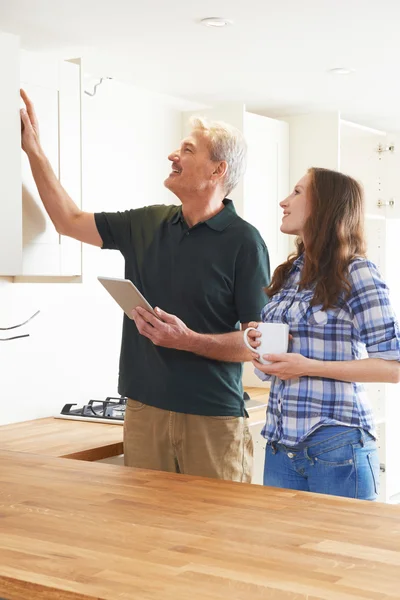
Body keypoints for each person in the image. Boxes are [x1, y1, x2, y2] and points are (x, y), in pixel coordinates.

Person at [20, 90, 270, 482]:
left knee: (216, 537)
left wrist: (188, 340)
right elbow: (68, 220)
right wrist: (33, 150)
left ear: (217, 170)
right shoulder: (147, 222)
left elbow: (260, 344)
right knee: (144, 534)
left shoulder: (244, 242)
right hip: (143, 410)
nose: (173, 155)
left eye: (187, 149)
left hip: (211, 418)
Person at [247, 167, 400, 500]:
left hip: (336, 448)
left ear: (326, 206)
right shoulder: (288, 274)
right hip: (279, 447)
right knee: (282, 553)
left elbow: (392, 367)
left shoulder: (357, 271)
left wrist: (307, 366)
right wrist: (261, 348)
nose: (283, 202)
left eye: (298, 192)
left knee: (344, 553)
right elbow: (268, 369)